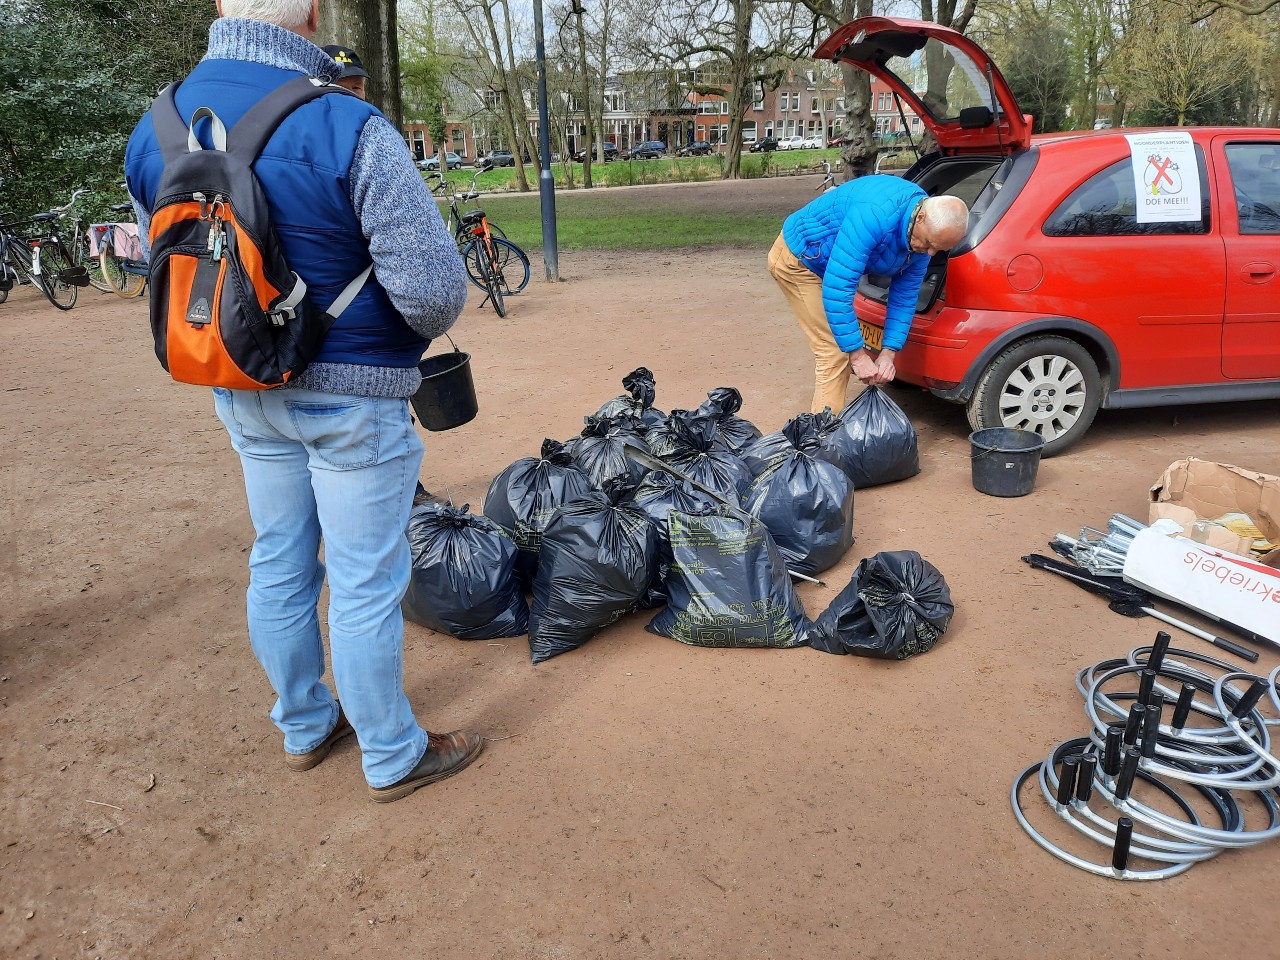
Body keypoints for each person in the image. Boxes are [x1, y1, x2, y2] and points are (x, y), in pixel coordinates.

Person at [124, 0, 482, 804]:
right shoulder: (345, 125)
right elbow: (430, 297)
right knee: (362, 581)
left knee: (279, 561)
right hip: (352, 396)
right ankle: (392, 754)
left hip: (240, 383)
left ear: (221, 9)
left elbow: (171, 259)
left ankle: (304, 723)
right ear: (313, 16)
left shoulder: (156, 128)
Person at [769, 175, 969, 414]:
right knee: (834, 351)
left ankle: (825, 433)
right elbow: (837, 288)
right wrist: (857, 355)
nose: (930, 253)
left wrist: (888, 353)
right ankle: (822, 442)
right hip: (799, 259)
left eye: (939, 249)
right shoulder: (875, 215)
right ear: (921, 217)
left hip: (830, 264)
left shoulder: (923, 239)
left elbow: (904, 297)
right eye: (929, 243)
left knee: (841, 345)